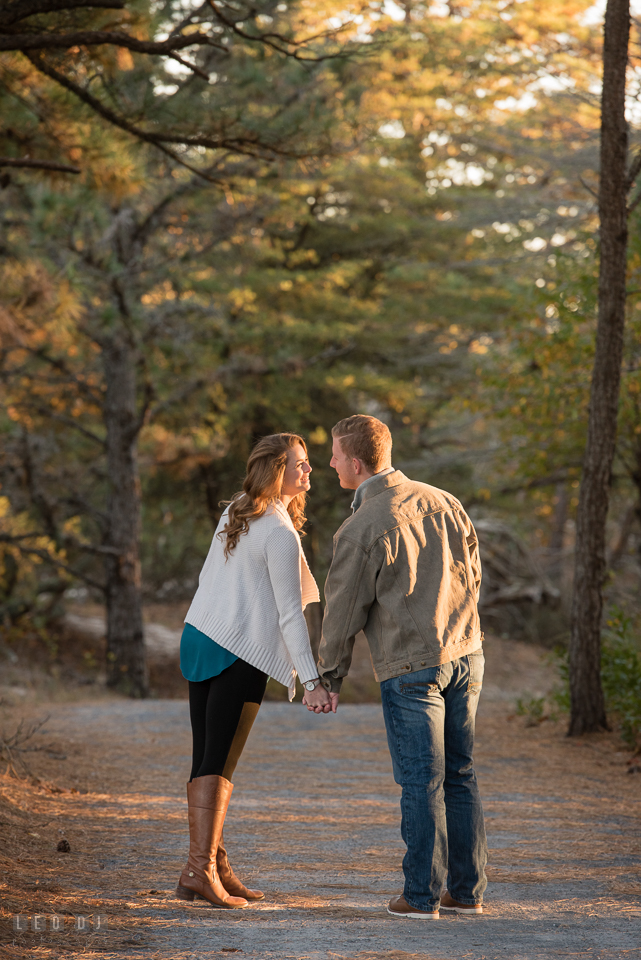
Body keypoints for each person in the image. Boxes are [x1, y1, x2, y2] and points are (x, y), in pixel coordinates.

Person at [309, 414, 487, 919]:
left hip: (412, 667)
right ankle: (466, 893)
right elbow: (473, 574)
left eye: (336, 456)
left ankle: (419, 897)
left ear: (358, 463)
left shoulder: (361, 527)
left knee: (420, 780)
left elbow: (342, 612)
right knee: (461, 773)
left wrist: (328, 677)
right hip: (467, 654)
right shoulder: (444, 500)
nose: (330, 463)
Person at [176, 432, 331, 909]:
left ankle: (211, 865)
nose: (309, 471)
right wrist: (311, 679)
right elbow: (289, 613)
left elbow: (209, 578)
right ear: (275, 470)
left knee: (207, 758)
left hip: (200, 634)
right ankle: (200, 870)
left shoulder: (239, 509)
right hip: (236, 650)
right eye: (300, 465)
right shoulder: (278, 532)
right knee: (218, 763)